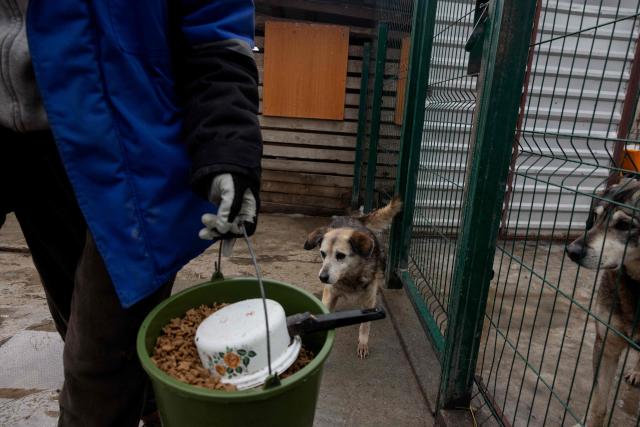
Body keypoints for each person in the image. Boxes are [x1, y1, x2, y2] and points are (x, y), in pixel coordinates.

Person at [0, 1, 262, 425]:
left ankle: (140, 402)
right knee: (76, 319)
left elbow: (216, 23)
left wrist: (229, 149)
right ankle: (151, 403)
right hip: (20, 144)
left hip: (125, 146)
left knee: (99, 362)